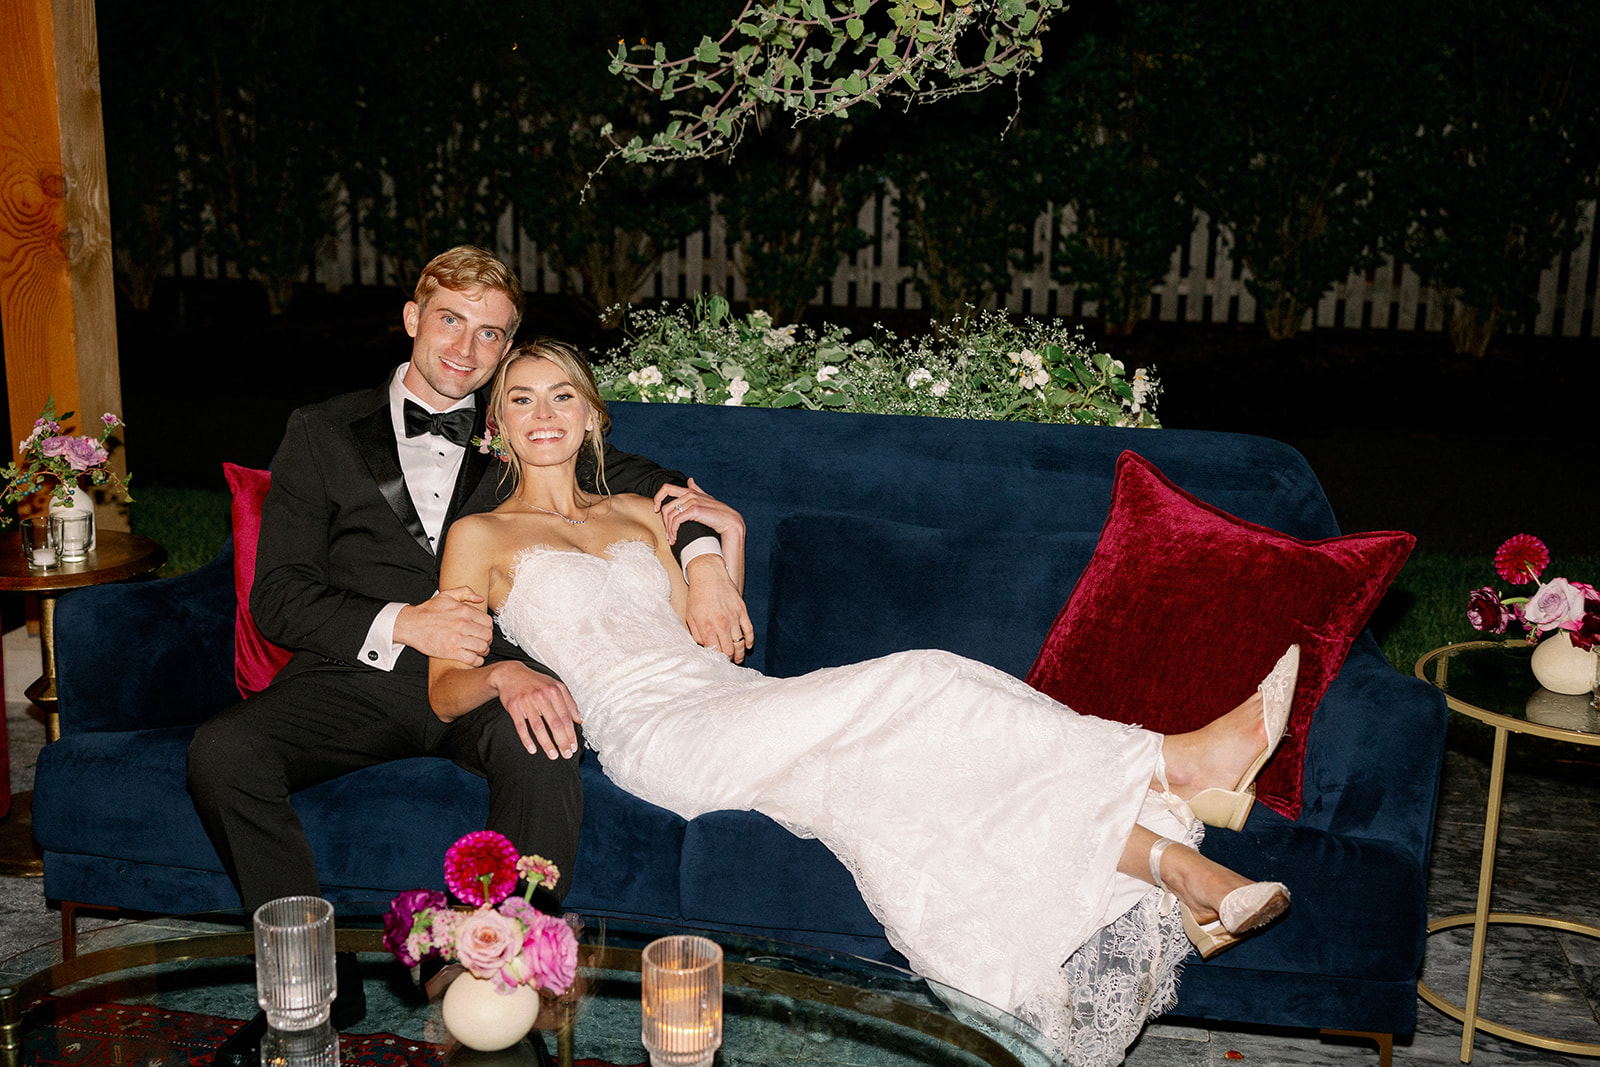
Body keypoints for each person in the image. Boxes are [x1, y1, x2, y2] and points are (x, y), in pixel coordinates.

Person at [426, 341, 1296, 1065]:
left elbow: (719, 641)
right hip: (656, 735)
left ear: (592, 414)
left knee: (923, 780)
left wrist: (721, 543)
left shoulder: (637, 512)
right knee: (926, 680)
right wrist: (504, 675)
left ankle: (1182, 873)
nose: (544, 414)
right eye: (522, 399)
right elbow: (444, 682)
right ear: (498, 423)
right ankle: (1171, 760)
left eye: (562, 395)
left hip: (731, 697)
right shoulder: (483, 535)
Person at [185, 249, 751, 1058]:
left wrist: (702, 566)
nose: (466, 347)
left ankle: (511, 978)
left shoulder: (520, 429)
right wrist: (401, 622)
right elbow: (277, 594)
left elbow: (661, 487)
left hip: (488, 677)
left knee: (545, 741)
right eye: (450, 319)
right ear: (413, 317)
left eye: (491, 334)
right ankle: (310, 984)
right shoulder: (321, 430)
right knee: (222, 749)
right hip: (358, 678)